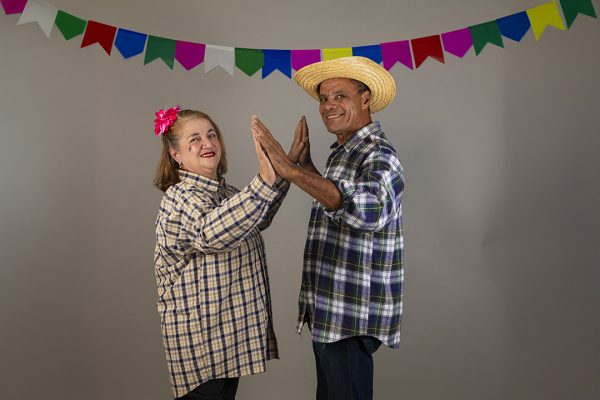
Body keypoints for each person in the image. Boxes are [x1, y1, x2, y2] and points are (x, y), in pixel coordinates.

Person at [252, 56, 404, 400]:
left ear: (365, 98)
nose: (328, 106)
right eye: (323, 98)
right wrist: (307, 169)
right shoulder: (343, 152)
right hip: (331, 311)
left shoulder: (379, 153)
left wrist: (293, 172)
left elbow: (369, 211)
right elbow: (339, 203)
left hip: (350, 315)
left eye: (340, 96)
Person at [152, 107, 305, 399]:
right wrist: (264, 179)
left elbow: (256, 217)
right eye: (194, 139)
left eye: (211, 135)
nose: (207, 143)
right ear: (175, 154)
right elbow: (210, 233)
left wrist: (287, 167)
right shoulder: (180, 197)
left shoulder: (225, 194)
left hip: (225, 344)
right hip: (200, 348)